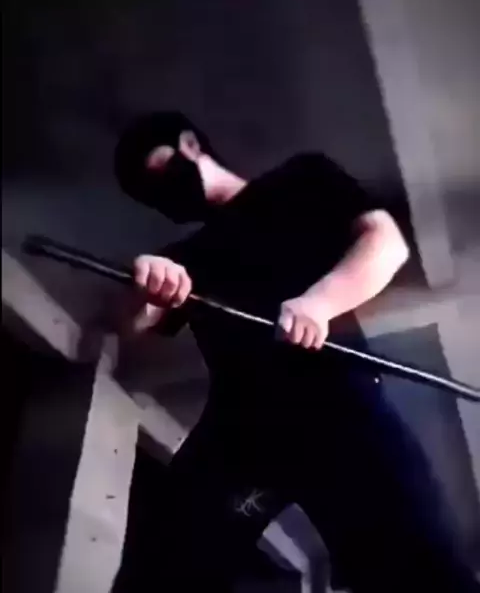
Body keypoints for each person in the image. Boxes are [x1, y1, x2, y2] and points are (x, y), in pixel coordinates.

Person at [112, 112, 479, 592]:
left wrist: (319, 303)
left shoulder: (302, 180)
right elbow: (135, 324)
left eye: (161, 167)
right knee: (163, 562)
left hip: (338, 403)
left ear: (190, 143)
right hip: (243, 426)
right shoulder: (186, 256)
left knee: (421, 570)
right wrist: (144, 283)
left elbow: (385, 242)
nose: (162, 189)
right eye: (150, 191)